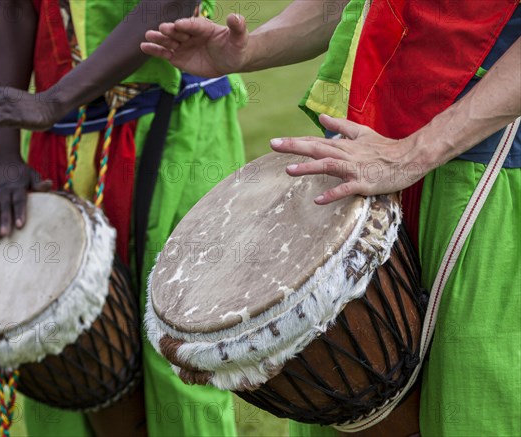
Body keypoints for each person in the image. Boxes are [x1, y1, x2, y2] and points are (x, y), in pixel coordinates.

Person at [138, 0, 521, 435]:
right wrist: (251, 49)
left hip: (479, 162)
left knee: (473, 406)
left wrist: (415, 152)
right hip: (362, 148)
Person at [0, 0, 245, 436]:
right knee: (54, 352)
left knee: (177, 352)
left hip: (171, 122)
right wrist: (3, 155)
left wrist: (52, 101)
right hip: (57, 135)